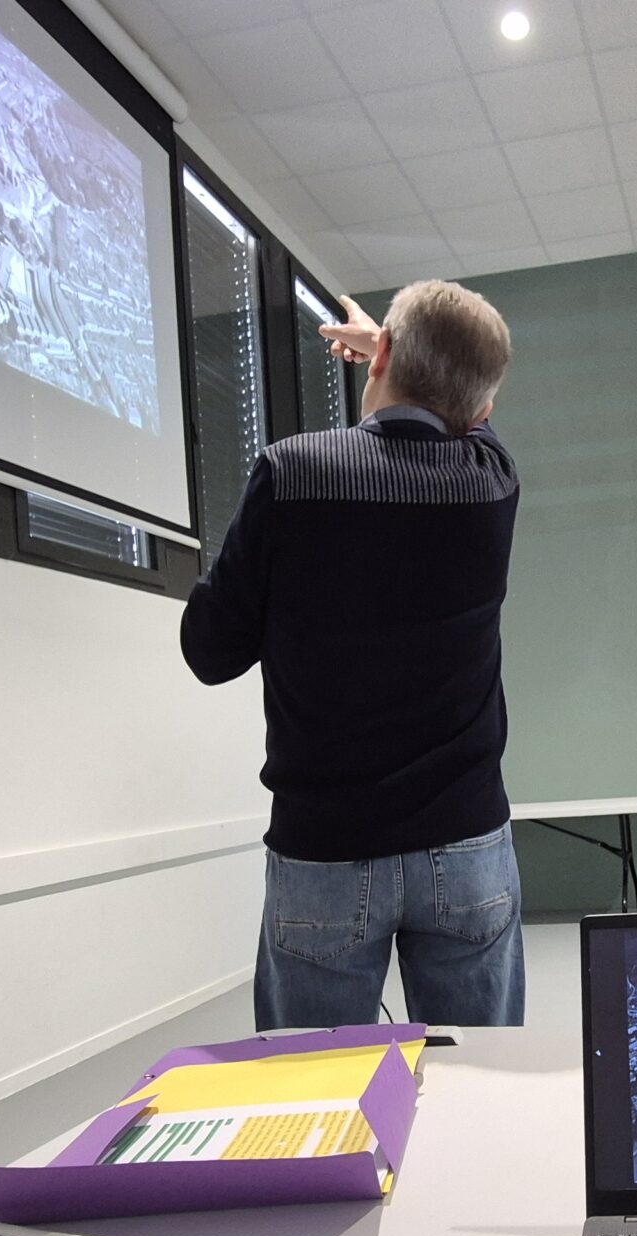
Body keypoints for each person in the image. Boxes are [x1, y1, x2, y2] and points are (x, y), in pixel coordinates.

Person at [180, 280, 526, 1031]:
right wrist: (403, 354)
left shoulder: (292, 473)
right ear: (482, 409)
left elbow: (210, 651)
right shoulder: (493, 482)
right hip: (468, 850)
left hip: (325, 850)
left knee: (317, 1084)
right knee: (485, 1077)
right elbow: (475, 415)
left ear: (385, 354)